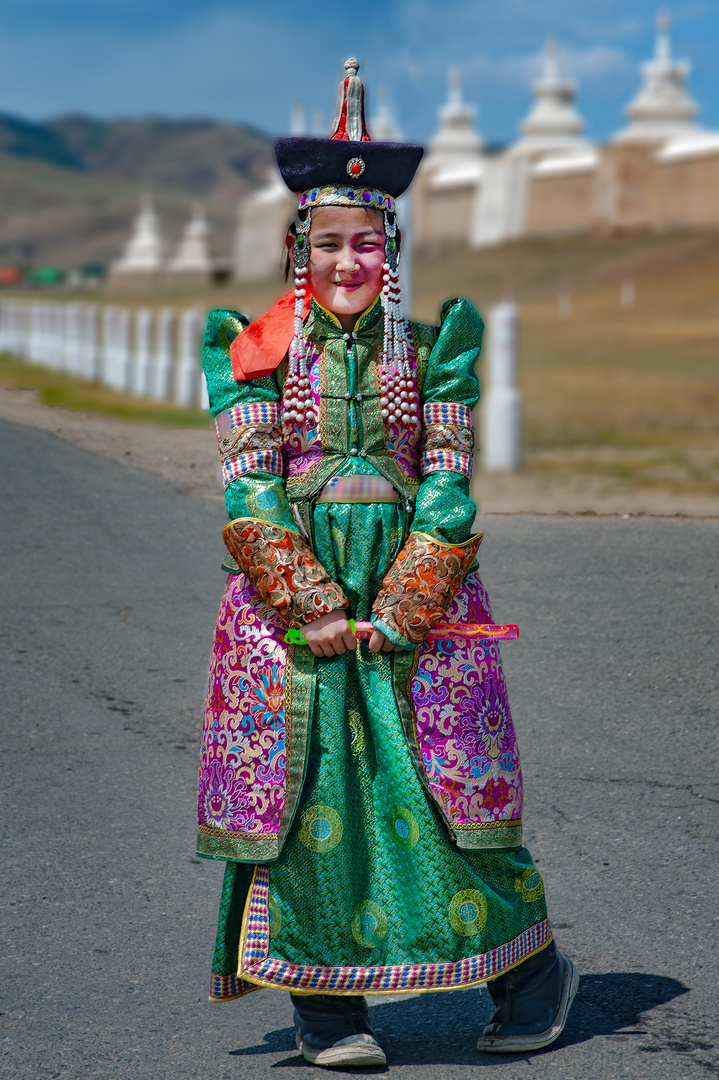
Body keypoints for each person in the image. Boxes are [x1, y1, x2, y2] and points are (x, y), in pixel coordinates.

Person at [196, 58, 578, 1069]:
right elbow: (250, 489)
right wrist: (307, 602)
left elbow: (448, 480)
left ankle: (530, 976)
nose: (348, 262)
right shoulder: (249, 354)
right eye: (329, 244)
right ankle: (327, 1013)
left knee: (444, 796)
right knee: (312, 797)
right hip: (297, 604)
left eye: (366, 243)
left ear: (390, 249)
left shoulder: (436, 347)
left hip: (421, 595)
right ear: (298, 250)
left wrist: (413, 592)